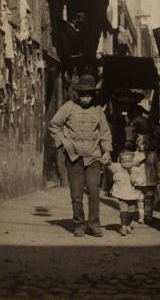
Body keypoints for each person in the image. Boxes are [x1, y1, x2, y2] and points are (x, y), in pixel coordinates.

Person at [48, 74, 112, 237]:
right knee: (76, 194)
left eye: (89, 94)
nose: (85, 98)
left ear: (93, 94)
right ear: (77, 94)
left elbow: (105, 133)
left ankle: (94, 224)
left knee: (93, 191)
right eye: (82, 94)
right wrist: (64, 143)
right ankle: (79, 225)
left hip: (93, 157)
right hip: (74, 157)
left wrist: (107, 152)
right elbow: (54, 126)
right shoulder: (68, 107)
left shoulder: (98, 111)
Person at [130, 135, 160, 224]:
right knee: (140, 199)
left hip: (150, 180)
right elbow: (131, 167)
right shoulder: (135, 155)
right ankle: (141, 217)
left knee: (149, 199)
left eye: (146, 144)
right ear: (138, 144)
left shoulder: (153, 155)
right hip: (139, 180)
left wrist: (159, 178)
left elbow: (158, 166)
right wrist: (132, 178)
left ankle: (148, 215)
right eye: (142, 144)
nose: (144, 146)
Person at [109, 150, 143, 236]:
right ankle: (123, 226)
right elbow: (109, 164)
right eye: (124, 162)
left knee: (131, 211)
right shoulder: (118, 168)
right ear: (120, 161)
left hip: (132, 194)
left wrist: (135, 180)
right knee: (123, 209)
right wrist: (106, 160)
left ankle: (128, 224)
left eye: (129, 161)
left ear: (133, 161)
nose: (127, 163)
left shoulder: (136, 170)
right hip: (122, 193)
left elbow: (141, 180)